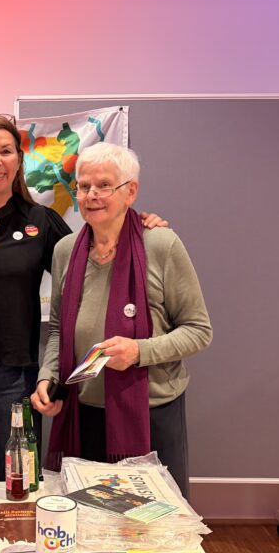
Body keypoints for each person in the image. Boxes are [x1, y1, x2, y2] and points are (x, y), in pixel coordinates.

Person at [0, 114, 165, 482]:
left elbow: (94, 255)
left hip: (16, 377)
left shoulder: (40, 222)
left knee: (22, 481)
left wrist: (136, 224)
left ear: (19, 160)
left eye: (5, 151)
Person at [31, 142, 212, 500]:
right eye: (84, 186)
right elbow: (58, 330)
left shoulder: (161, 245)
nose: (92, 195)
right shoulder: (65, 250)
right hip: (83, 413)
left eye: (104, 186)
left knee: (151, 520)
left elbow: (198, 331)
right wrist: (48, 376)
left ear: (130, 192)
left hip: (149, 414)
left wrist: (138, 352)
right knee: (89, 515)